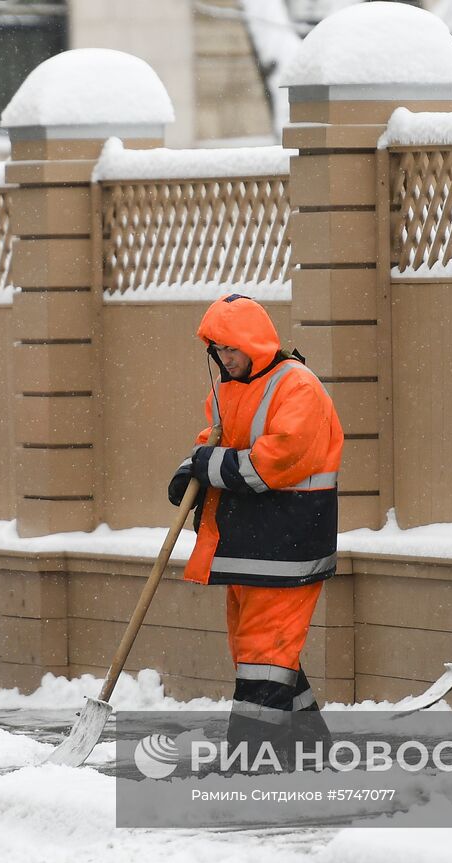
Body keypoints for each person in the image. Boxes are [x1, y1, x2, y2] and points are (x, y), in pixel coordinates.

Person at [167, 294, 342, 763]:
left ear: (256, 343)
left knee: (263, 661)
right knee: (261, 657)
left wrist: (207, 465)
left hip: (288, 546)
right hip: (244, 547)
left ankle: (251, 765)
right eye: (217, 351)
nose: (225, 359)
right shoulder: (227, 390)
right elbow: (215, 441)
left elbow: (270, 465)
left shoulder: (297, 387)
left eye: (231, 349)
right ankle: (313, 752)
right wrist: (191, 468)